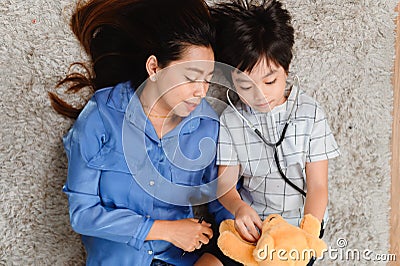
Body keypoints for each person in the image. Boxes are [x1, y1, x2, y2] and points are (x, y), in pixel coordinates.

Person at [49, 0, 233, 265]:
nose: (201, 91)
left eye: (208, 79)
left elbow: (223, 197)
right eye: (191, 78)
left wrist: (234, 238)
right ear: (154, 68)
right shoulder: (101, 118)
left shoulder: (206, 126)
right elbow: (83, 214)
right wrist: (166, 230)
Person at [209, 0, 340, 264]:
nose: (260, 95)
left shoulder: (310, 113)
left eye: (270, 81)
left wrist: (308, 233)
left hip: (298, 226)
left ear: (286, 69)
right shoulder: (231, 119)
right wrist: (239, 208)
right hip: (252, 225)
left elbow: (317, 186)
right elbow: (226, 184)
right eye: (245, 85)